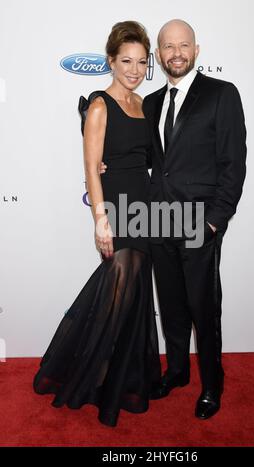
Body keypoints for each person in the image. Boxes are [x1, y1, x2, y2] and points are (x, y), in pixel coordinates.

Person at [33, 21, 161, 427]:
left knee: (132, 295)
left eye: (142, 62)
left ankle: (119, 375)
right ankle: (88, 376)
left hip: (145, 206)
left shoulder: (145, 104)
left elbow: (150, 159)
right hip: (118, 207)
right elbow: (91, 168)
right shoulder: (100, 104)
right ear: (111, 60)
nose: (134, 69)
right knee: (114, 294)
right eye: (126, 61)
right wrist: (100, 221)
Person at [142, 19, 247, 420]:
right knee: (170, 305)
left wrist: (214, 222)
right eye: (168, 46)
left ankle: (212, 384)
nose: (176, 53)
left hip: (199, 223)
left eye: (183, 44)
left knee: (204, 310)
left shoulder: (221, 95)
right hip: (159, 221)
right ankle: (179, 372)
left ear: (197, 50)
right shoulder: (151, 103)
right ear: (159, 54)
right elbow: (153, 163)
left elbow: (233, 165)